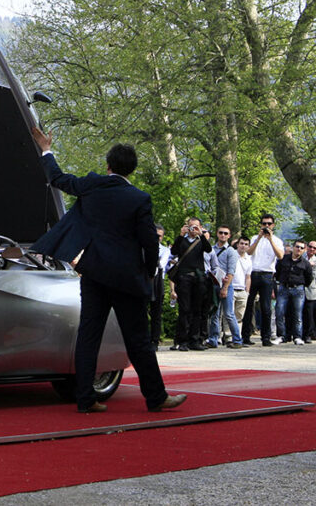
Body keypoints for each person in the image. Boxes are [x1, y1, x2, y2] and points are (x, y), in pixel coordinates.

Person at [29, 127, 184, 414]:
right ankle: (156, 396)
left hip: (94, 273)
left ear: (108, 166)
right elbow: (150, 242)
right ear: (132, 170)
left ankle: (86, 398)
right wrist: (150, 271)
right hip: (127, 277)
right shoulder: (139, 199)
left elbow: (58, 179)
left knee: (89, 335)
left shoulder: (91, 185)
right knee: (137, 339)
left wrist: (46, 149)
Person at [169, 218, 212, 351]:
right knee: (184, 309)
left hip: (198, 277)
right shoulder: (183, 240)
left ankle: (195, 339)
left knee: (197, 310)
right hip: (184, 277)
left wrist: (202, 235)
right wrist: (181, 235)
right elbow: (174, 251)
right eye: (191, 227)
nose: (193, 230)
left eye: (196, 227)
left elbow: (208, 249)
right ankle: (182, 340)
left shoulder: (200, 241)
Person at [243, 214, 284, 346]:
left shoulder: (277, 240)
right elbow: (248, 252)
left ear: (273, 225)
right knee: (248, 306)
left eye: (269, 224)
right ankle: (245, 336)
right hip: (254, 273)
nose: (266, 226)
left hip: (267, 274)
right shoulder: (255, 238)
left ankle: (266, 337)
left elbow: (280, 255)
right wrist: (260, 238)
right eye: (264, 224)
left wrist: (270, 239)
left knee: (266, 307)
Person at [273, 240, 314, 345]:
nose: (298, 249)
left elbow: (309, 278)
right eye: (297, 247)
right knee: (280, 312)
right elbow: (277, 272)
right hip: (283, 288)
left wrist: (301, 285)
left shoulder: (305, 263)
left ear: (304, 250)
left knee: (298, 314)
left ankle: (297, 337)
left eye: (301, 248)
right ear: (293, 247)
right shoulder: (283, 259)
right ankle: (281, 336)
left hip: (298, 289)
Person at [207, 225, 241, 348]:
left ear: (229, 236)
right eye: (221, 233)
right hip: (214, 283)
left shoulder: (231, 251)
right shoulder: (211, 249)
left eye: (226, 233)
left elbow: (231, 271)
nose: (223, 235)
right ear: (217, 233)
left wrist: (225, 287)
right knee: (214, 314)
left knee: (228, 314)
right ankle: (213, 340)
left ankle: (237, 340)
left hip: (226, 284)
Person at [148, 224, 170, 351]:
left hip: (157, 281)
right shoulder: (142, 246)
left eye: (159, 236)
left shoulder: (165, 250)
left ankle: (154, 340)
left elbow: (161, 263)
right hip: (144, 279)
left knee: (156, 313)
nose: (157, 238)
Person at [230, 236, 253, 345]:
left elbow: (248, 276)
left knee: (239, 315)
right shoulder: (232, 254)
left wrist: (247, 291)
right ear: (237, 244)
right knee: (229, 314)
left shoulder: (249, 259)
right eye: (241, 243)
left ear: (248, 246)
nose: (243, 246)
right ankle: (228, 336)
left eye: (246, 244)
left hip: (242, 290)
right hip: (231, 288)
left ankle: (237, 337)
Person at [304, 241, 316, 343]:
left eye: (314, 248)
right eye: (310, 247)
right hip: (299, 289)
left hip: (312, 291)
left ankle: (309, 334)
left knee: (310, 314)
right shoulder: (300, 258)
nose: (312, 249)